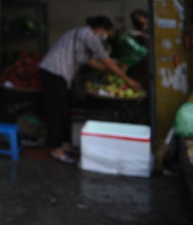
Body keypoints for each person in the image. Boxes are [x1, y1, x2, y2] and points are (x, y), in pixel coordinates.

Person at [38, 15, 142, 164]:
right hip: (53, 72)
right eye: (108, 33)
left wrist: (108, 71)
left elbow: (90, 61)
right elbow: (107, 60)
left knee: (64, 108)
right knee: (58, 110)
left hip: (57, 73)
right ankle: (56, 149)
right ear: (101, 29)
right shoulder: (88, 35)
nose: (106, 36)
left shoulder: (82, 34)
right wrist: (128, 80)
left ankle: (65, 145)